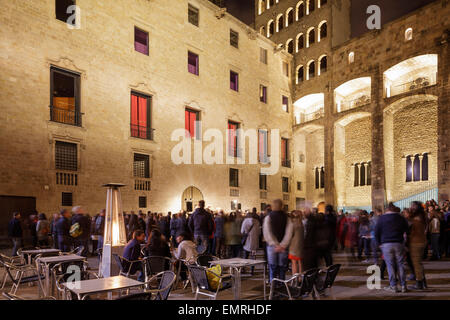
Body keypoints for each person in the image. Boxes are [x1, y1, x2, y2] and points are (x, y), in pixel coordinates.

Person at [375, 203, 409, 293]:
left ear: (387, 209)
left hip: (386, 244)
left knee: (390, 265)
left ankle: (393, 286)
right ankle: (403, 286)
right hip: (398, 243)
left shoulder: (382, 218)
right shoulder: (401, 218)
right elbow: (407, 229)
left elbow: (376, 232)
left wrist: (379, 243)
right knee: (401, 264)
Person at [263, 199, 293, 282]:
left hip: (272, 247)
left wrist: (275, 244)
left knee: (272, 268)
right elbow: (289, 232)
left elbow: (267, 232)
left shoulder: (268, 217)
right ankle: (281, 285)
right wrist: (283, 245)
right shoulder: (287, 218)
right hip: (283, 247)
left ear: (272, 206)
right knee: (282, 268)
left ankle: (273, 287)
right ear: (282, 206)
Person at [408, 201, 427, 290]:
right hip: (422, 241)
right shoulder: (422, 216)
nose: (410, 207)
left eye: (412, 206)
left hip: (416, 242)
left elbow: (412, 231)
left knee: (416, 264)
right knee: (419, 263)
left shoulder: (415, 219)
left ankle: (419, 283)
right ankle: (423, 282)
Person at [241, 210, 261, 274]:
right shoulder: (257, 222)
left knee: (245, 256)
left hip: (247, 242)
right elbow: (259, 232)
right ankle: (252, 270)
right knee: (253, 257)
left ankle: (243, 269)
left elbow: (242, 231)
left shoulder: (245, 221)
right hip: (254, 242)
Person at [289, 210, 304, 275]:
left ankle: (295, 278)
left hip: (293, 247)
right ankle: (301, 277)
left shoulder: (293, 224)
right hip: (300, 245)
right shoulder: (301, 223)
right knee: (300, 262)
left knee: (294, 263)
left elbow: (290, 235)